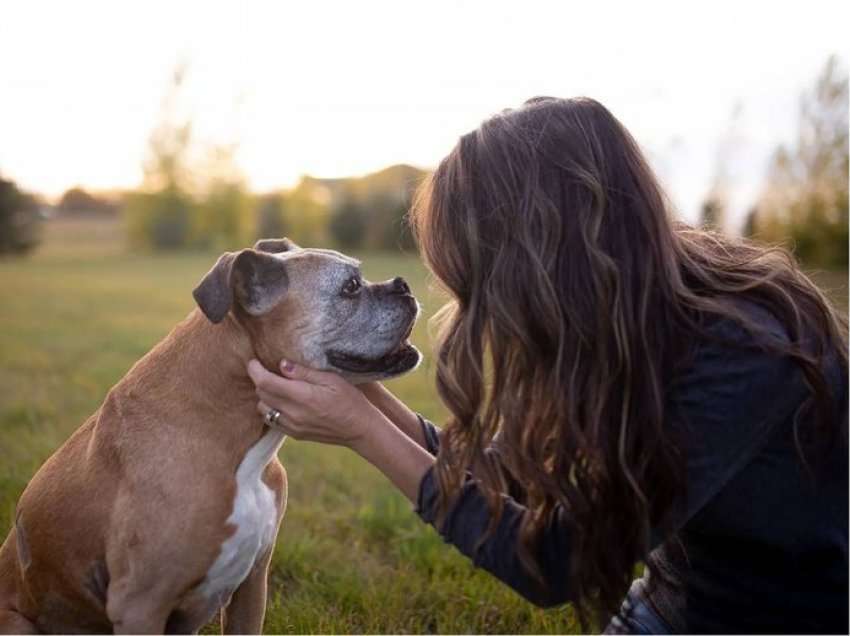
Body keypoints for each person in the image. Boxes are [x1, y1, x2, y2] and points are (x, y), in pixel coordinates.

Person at [246, 97, 848, 634]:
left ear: (539, 260)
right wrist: (368, 398)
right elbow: (505, 475)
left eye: (481, 282)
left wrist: (361, 430)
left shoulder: (743, 353)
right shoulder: (632, 315)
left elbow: (557, 564)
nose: (480, 309)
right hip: (669, 608)